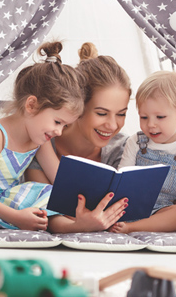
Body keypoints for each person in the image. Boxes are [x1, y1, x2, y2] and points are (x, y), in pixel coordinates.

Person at [0, 41, 126, 233]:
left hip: (8, 198)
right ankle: (77, 226)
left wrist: (89, 206)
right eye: (57, 122)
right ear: (32, 105)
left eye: (64, 125)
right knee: (42, 192)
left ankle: (80, 224)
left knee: (53, 193)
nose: (59, 132)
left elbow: (61, 181)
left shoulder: (38, 139)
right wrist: (16, 218)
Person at [25, 42, 133, 232]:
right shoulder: (42, 140)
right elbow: (42, 211)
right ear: (79, 107)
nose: (113, 125)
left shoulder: (123, 148)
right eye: (101, 113)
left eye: (121, 114)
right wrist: (80, 225)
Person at [110, 70, 176, 235]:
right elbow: (122, 178)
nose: (150, 124)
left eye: (160, 117)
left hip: (164, 212)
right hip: (131, 208)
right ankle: (126, 223)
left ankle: (133, 228)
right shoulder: (135, 142)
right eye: (144, 117)